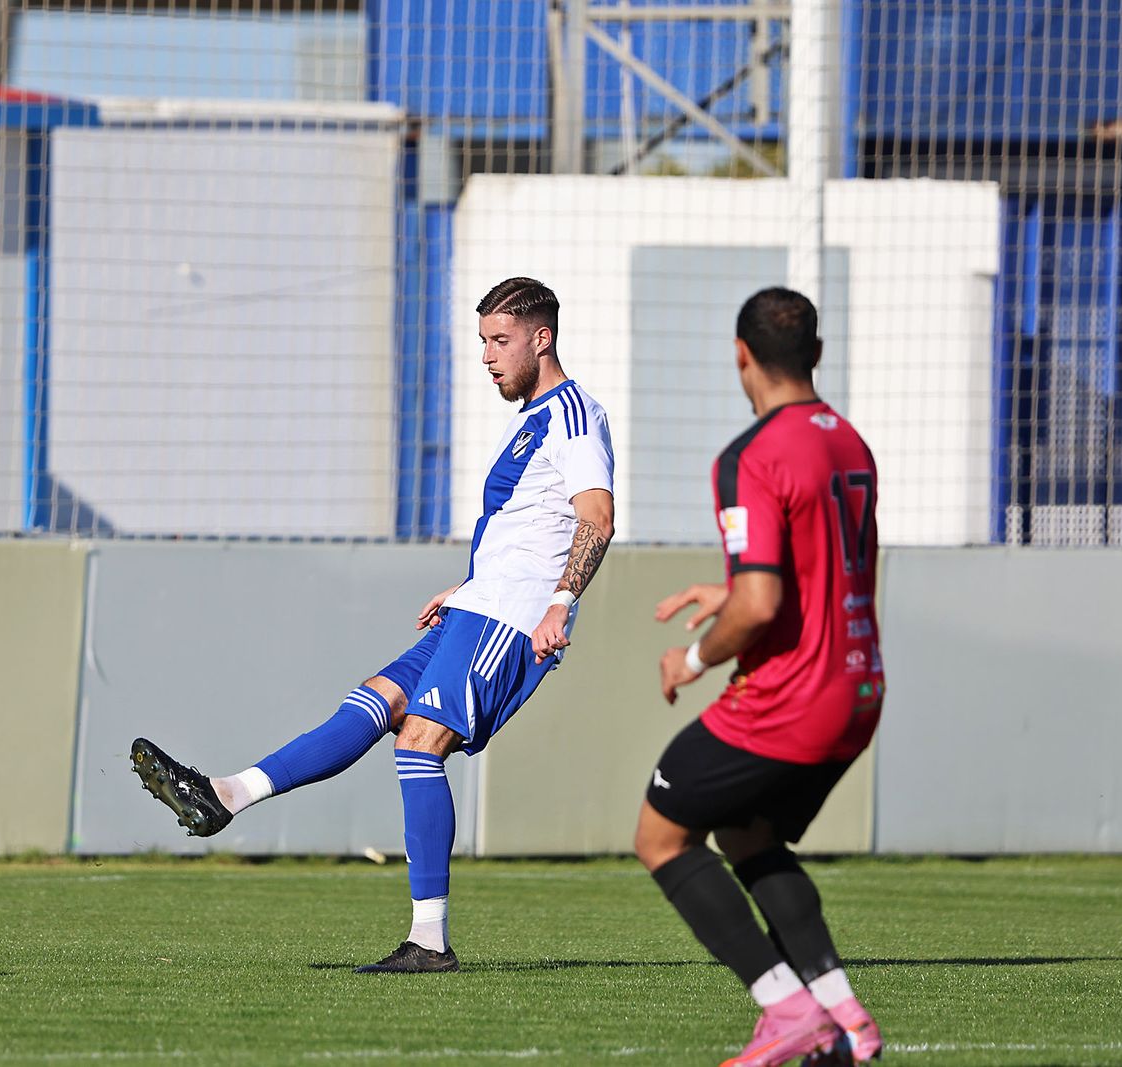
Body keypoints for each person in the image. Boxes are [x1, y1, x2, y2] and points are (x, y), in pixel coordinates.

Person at [130, 277, 615, 973]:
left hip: (511, 620)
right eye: (481, 341)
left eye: (500, 340)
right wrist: (469, 584)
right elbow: (529, 526)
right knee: (372, 700)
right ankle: (226, 795)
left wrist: (559, 603)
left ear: (542, 338)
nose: (487, 356)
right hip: (481, 603)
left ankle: (429, 942)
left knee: (420, 742)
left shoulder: (573, 415)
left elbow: (596, 517)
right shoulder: (533, 417)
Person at [636, 288, 885, 1067]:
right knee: (747, 831)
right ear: (816, 354)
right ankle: (845, 1017)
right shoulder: (848, 440)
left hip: (792, 698)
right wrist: (732, 592)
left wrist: (696, 655)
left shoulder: (752, 454)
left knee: (661, 835)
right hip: (860, 688)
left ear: (740, 355)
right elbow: (811, 568)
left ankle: (786, 1010)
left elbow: (763, 600)